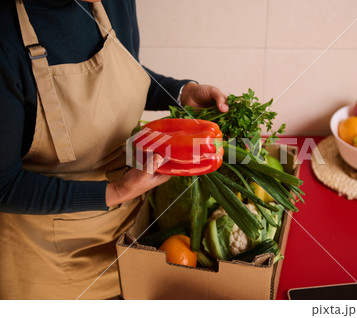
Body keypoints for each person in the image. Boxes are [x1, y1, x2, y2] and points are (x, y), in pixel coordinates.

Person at [0, 0, 228, 300]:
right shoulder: (5, 38)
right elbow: (4, 185)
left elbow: (123, 77)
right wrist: (116, 191)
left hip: (131, 233)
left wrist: (181, 91)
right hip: (49, 260)